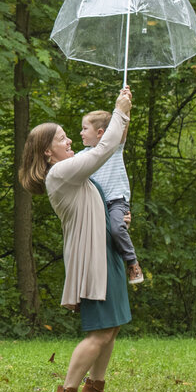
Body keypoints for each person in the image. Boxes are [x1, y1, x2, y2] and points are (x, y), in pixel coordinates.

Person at [18, 87, 134, 392]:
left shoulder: (71, 171)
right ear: (46, 152)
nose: (70, 142)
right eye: (63, 139)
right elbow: (104, 149)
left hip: (105, 251)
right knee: (99, 331)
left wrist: (122, 218)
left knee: (111, 326)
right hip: (92, 260)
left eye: (70, 137)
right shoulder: (59, 173)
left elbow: (100, 199)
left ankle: (94, 390)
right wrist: (120, 112)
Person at [79, 110, 144, 284]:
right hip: (97, 206)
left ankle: (132, 263)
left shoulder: (113, 149)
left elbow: (122, 129)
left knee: (117, 228)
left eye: (85, 129)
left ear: (100, 133)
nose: (81, 132)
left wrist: (125, 106)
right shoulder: (83, 155)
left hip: (116, 201)